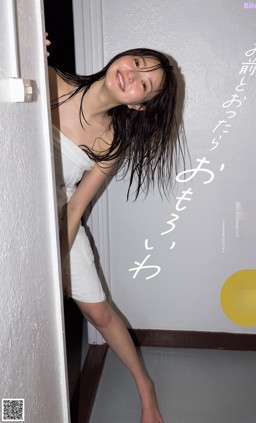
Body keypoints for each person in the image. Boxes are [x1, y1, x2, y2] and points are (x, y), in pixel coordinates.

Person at [48, 45, 185, 423]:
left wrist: (53, 261)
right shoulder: (48, 78)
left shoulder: (111, 141)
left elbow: (75, 207)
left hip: (57, 215)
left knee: (97, 311)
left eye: (145, 84)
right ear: (122, 56)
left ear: (140, 106)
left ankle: (145, 386)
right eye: (138, 63)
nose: (133, 75)